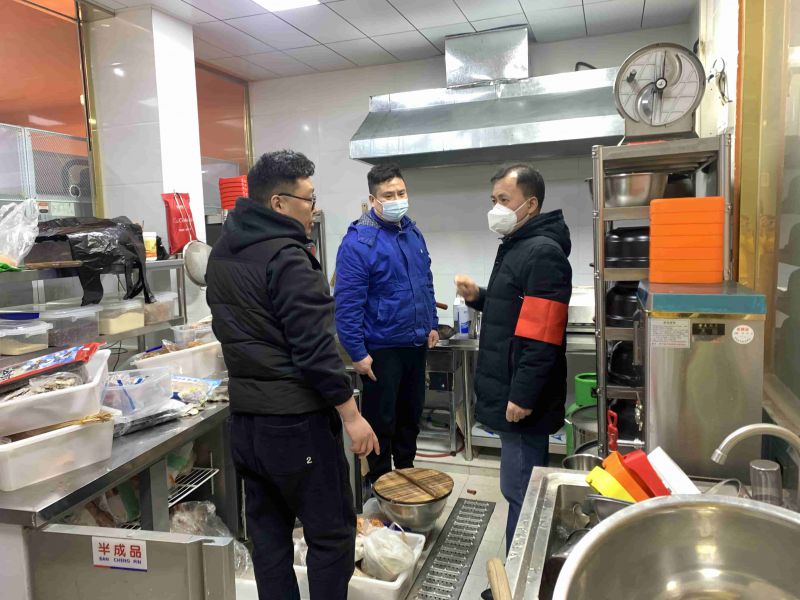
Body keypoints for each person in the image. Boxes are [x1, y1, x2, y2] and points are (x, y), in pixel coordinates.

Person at [206, 150, 379, 600]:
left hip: (247, 423)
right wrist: (351, 415)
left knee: (268, 536)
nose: (313, 210)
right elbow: (315, 350)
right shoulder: (288, 257)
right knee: (331, 535)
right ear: (279, 203)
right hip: (295, 423)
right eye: (309, 199)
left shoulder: (223, 251)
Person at [455, 163, 572, 563]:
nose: (496, 208)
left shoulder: (542, 253)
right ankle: (520, 570)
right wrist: (479, 297)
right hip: (512, 389)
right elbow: (515, 310)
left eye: (504, 200)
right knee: (520, 487)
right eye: (493, 200)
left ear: (531, 204)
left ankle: (519, 577)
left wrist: (522, 396)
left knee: (521, 490)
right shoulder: (518, 246)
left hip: (521, 399)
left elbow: (542, 337)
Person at [334, 163, 439, 486]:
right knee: (382, 421)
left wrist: (432, 324)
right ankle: (380, 481)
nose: (397, 200)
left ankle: (406, 474)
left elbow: (425, 282)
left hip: (415, 344)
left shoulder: (412, 232)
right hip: (381, 349)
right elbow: (347, 304)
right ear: (373, 199)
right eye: (389, 195)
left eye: (401, 193)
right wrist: (356, 352)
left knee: (410, 416)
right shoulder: (358, 243)